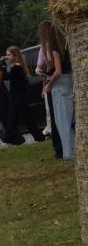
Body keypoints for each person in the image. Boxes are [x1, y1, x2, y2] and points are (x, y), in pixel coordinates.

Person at [37, 20, 74, 160]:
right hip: (65, 83)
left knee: (62, 122)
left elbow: (57, 71)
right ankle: (70, 151)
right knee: (66, 121)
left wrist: (49, 84)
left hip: (60, 85)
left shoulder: (54, 49)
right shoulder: (61, 47)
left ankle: (69, 153)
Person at [5, 47, 46, 145]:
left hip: (19, 96)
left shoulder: (17, 67)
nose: (7, 57)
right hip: (16, 96)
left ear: (15, 55)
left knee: (26, 117)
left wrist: (2, 66)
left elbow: (7, 76)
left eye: (9, 55)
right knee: (12, 117)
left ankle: (39, 136)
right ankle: (9, 137)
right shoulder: (16, 67)